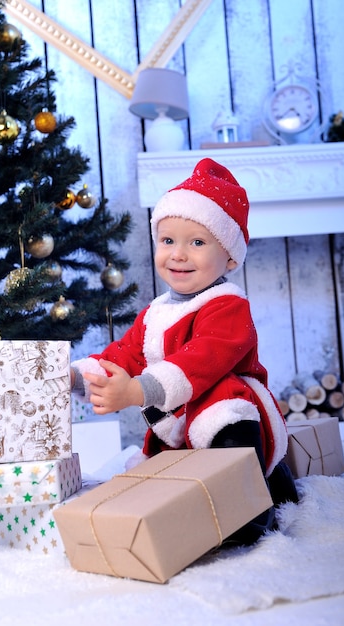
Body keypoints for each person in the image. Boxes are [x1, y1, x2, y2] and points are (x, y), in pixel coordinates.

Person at [71, 157, 298, 545]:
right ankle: (210, 500)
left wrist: (136, 391)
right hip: (180, 415)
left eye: (196, 242)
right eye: (168, 240)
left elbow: (203, 358)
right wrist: (80, 375)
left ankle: (249, 515)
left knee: (228, 419)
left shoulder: (228, 304)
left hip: (225, 405)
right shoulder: (157, 311)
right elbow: (125, 354)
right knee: (173, 469)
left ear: (229, 256)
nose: (178, 254)